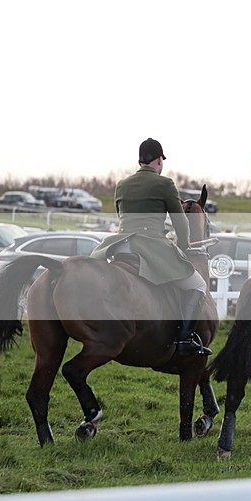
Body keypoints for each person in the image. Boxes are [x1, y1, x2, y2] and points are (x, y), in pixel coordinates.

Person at [90, 138, 211, 356]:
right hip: (150, 249)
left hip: (119, 247)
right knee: (198, 285)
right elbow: (180, 223)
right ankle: (184, 341)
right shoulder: (165, 184)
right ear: (158, 161)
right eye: (161, 160)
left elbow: (121, 218)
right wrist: (182, 248)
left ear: (139, 161)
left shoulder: (122, 185)